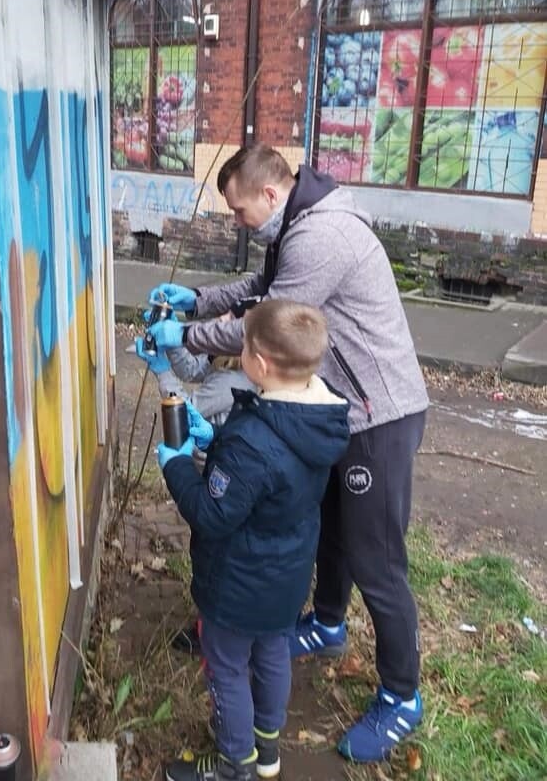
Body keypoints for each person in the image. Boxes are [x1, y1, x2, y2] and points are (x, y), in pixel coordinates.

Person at [146, 144, 430, 764]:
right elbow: (258, 286)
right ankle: (327, 625)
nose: (240, 223)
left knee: (375, 560)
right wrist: (197, 297)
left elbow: (269, 320)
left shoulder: (320, 237)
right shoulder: (298, 226)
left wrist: (185, 336)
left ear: (271, 195)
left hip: (378, 413)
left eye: (241, 212)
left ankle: (403, 696)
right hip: (336, 407)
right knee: (329, 526)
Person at [156, 300, 350, 781]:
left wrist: (176, 464)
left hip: (238, 586)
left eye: (243, 346)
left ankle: (233, 763)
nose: (240, 351)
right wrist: (215, 442)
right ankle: (267, 751)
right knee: (271, 655)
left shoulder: (253, 440)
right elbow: (268, 479)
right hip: (285, 581)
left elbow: (212, 514)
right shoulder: (317, 418)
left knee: (225, 668)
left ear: (259, 364)